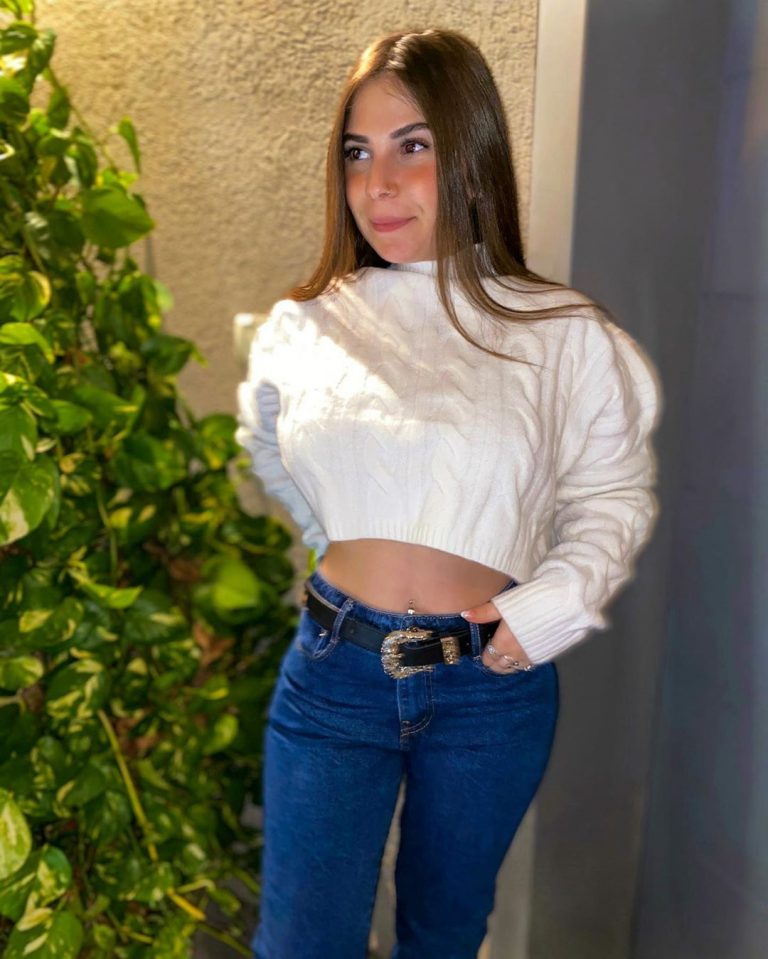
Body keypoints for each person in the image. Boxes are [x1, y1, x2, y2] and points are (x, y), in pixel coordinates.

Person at [236, 27, 662, 959]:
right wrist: (345, 535)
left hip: (488, 687)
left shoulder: (563, 334)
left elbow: (613, 496)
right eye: (358, 153)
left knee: (443, 935)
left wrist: (546, 610)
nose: (378, 184)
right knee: (301, 942)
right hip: (335, 672)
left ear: (471, 152)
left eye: (413, 146)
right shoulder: (304, 328)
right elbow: (270, 453)